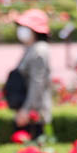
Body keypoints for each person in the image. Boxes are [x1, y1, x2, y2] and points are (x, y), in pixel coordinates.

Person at [12, 9, 51, 139]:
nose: (21, 30)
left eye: (25, 27)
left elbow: (37, 83)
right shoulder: (31, 48)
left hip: (33, 115)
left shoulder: (39, 51)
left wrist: (26, 110)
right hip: (26, 109)